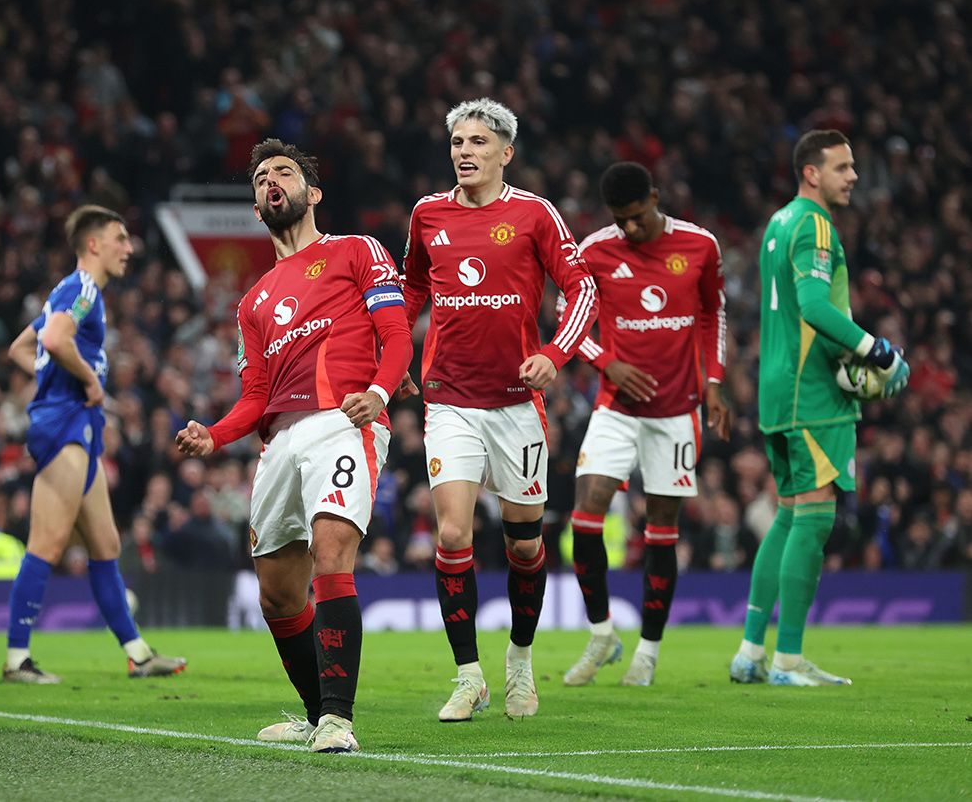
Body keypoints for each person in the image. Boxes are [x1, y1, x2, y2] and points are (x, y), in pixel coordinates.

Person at [176, 138, 413, 753]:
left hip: (342, 420)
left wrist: (380, 393)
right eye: (260, 179)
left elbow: (396, 335)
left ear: (314, 192)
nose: (270, 181)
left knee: (332, 552)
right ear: (257, 207)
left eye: (283, 172)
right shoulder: (252, 302)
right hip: (278, 442)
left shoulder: (357, 251)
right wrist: (214, 433)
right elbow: (255, 396)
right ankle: (314, 714)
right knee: (278, 593)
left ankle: (338, 721)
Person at [400, 98, 597, 721]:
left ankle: (519, 661)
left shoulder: (535, 214)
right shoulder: (427, 214)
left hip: (516, 405)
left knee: (524, 547)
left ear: (506, 152)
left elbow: (583, 287)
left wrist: (555, 354)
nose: (465, 151)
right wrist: (391, 355)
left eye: (478, 142)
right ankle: (468, 677)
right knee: (453, 534)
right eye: (458, 141)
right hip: (450, 400)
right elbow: (411, 288)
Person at [730, 129, 909, 686]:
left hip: (777, 388)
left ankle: (750, 652)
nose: (853, 176)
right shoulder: (815, 225)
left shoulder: (778, 223)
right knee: (816, 515)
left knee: (788, 514)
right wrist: (876, 352)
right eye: (842, 167)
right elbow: (812, 306)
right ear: (812, 173)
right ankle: (787, 659)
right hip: (811, 393)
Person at [562, 161, 731, 688]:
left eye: (637, 216)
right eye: (620, 219)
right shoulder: (595, 250)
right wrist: (605, 362)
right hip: (616, 409)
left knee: (662, 528)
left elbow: (713, 314)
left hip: (677, 413)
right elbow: (569, 314)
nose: (630, 228)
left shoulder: (700, 246)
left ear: (655, 198)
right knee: (585, 516)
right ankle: (602, 634)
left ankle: (649, 652)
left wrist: (714, 381)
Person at [2, 205, 186, 683]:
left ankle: (138, 654)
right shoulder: (82, 288)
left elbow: (23, 348)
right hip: (65, 425)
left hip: (77, 426)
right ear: (93, 244)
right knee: (47, 543)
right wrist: (86, 380)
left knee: (106, 545)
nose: (129, 248)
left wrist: (52, 375)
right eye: (120, 238)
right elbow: (55, 339)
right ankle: (17, 658)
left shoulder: (74, 292)